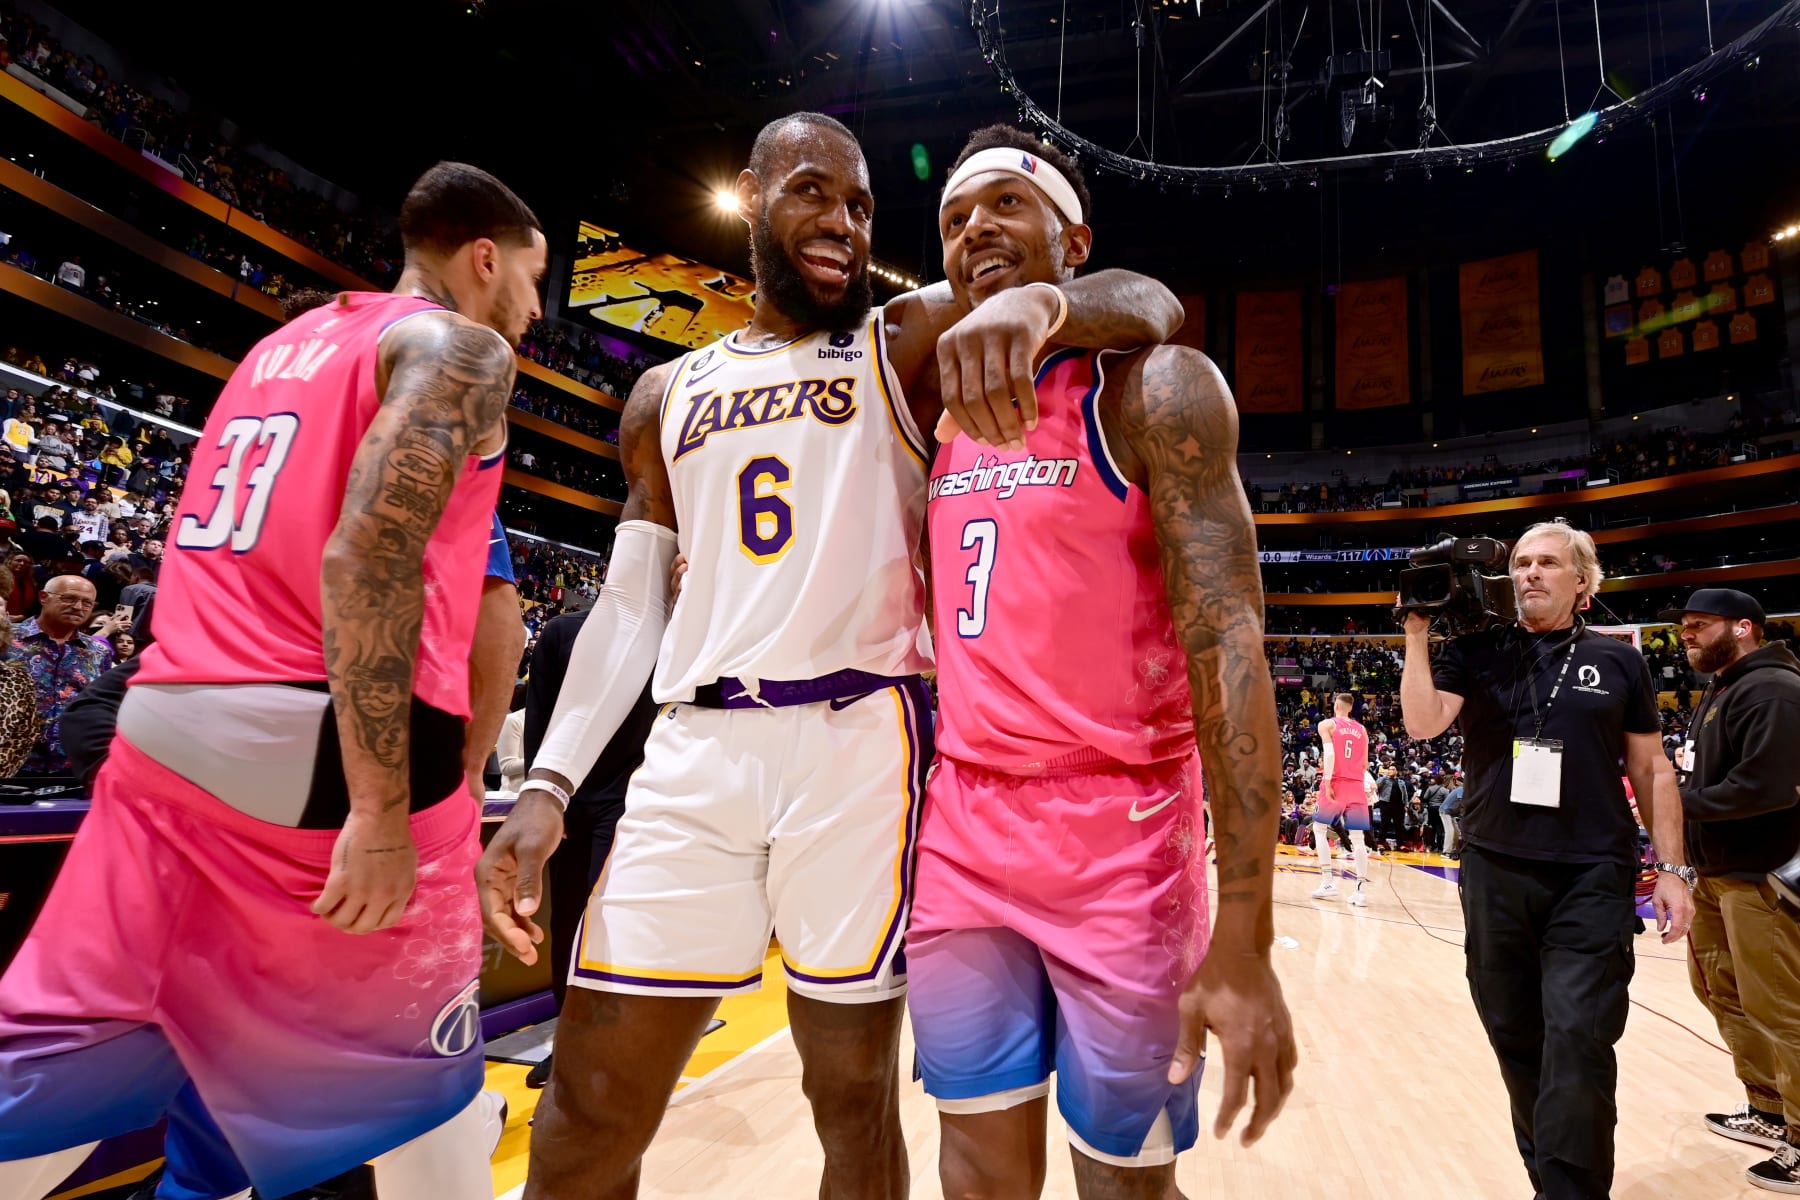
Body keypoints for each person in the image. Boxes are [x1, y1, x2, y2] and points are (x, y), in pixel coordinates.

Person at [477, 111, 1181, 1199]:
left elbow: (1145, 302)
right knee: (588, 1104)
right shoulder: (665, 395)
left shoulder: (903, 343)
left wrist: (1047, 299)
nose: (843, 224)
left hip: (859, 744)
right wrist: (551, 783)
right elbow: (627, 606)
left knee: (851, 1105)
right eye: (812, 193)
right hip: (695, 751)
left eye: (860, 205)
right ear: (753, 198)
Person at [0, 161, 544, 1200]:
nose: (528, 311)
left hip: (164, 729)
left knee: (55, 1079)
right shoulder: (462, 349)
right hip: (321, 752)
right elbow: (367, 559)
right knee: (424, 1099)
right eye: (532, 278)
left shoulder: (278, 347)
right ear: (485, 258)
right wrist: (384, 808)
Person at [906, 126, 1295, 1197]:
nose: (973, 229)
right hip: (964, 832)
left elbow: (1232, 641)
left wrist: (1248, 928)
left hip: (1123, 840)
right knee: (975, 1173)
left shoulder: (1151, 393)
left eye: (1003, 207)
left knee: (1124, 1181)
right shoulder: (932, 392)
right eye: (951, 220)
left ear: (1074, 237)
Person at [1399, 519, 1695, 1199]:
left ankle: (1571, 1191)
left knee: (1579, 1036)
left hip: (1592, 874)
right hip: (1495, 870)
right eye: (1522, 563)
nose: (1530, 572)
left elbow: (1651, 769)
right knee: (1516, 1034)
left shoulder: (1618, 660)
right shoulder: (1475, 649)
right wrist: (1416, 634)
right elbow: (1422, 722)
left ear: (1582, 582)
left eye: (1547, 564)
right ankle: (1553, 1181)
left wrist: (1673, 870)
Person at [1663, 588, 1800, 1193]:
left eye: (1699, 625)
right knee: (1722, 994)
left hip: (1762, 874)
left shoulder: (1773, 688)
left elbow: (1765, 788)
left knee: (1782, 1011)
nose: (1686, 635)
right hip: (1718, 875)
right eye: (1684, 626)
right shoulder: (1724, 686)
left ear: (1743, 627)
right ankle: (1769, 1110)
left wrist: (1669, 802)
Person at [6, 574, 119, 776]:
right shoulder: (5, 639)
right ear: (43, 597)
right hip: (9, 763)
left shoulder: (98, 652)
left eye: (87, 603)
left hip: (72, 768)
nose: (78, 607)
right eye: (69, 598)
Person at [1311, 692, 1372, 907]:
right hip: (1356, 785)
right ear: (1351, 708)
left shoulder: (1327, 724)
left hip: (1336, 781)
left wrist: (1327, 783)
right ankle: (1361, 891)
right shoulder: (1362, 729)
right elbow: (1365, 764)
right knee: (1358, 838)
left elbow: (1329, 754)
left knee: (1319, 829)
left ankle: (1328, 882)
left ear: (1336, 704)